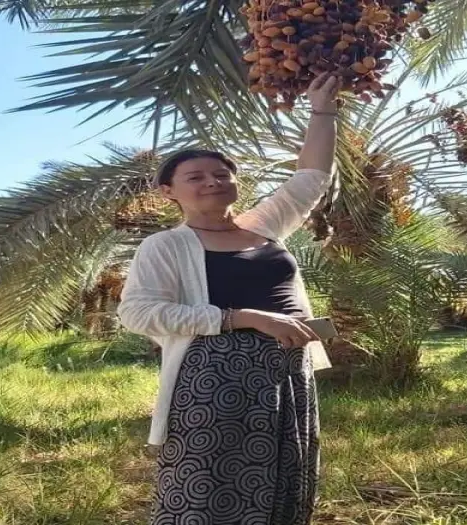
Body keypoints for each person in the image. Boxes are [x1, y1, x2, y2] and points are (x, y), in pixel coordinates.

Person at [117, 73, 340, 524]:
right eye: (195, 177)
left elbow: (311, 178)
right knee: (208, 484)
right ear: (168, 191)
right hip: (216, 375)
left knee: (284, 479)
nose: (212, 182)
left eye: (222, 174)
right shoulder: (166, 245)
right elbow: (136, 313)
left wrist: (322, 111)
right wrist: (243, 317)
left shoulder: (265, 227)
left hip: (288, 369)